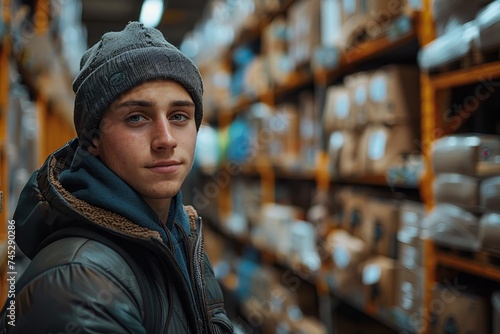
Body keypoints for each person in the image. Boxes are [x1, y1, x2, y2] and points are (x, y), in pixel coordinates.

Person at [1, 21, 234, 333]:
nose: (166, 139)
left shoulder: (178, 235)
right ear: (94, 139)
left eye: (179, 116)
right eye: (136, 117)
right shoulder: (78, 284)